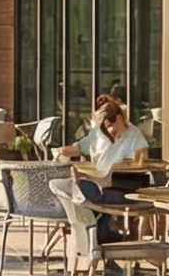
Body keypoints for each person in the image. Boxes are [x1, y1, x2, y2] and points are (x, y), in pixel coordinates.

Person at [58, 96, 154, 243]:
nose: (110, 129)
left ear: (120, 117)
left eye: (112, 124)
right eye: (106, 126)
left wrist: (119, 166)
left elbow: (140, 164)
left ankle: (99, 241)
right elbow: (82, 147)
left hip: (126, 186)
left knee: (87, 196)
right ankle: (102, 240)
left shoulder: (135, 138)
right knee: (86, 199)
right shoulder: (103, 135)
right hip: (107, 184)